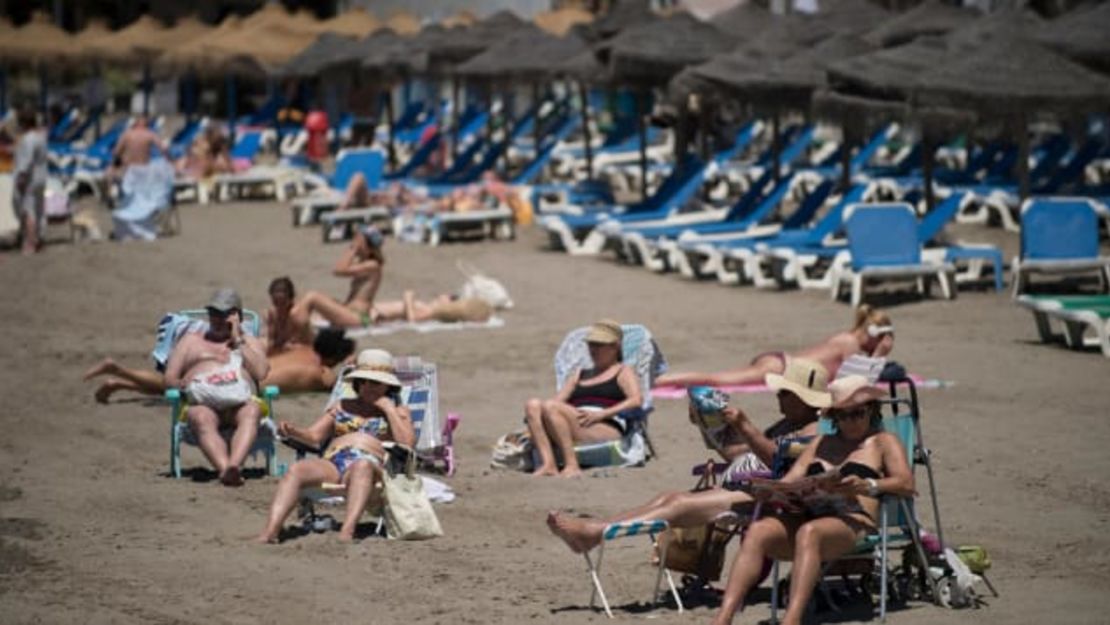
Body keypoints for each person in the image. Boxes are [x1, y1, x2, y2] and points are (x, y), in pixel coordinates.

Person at [547, 358, 832, 553]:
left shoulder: (816, 430)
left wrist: (745, 425)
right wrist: (709, 426)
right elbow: (739, 455)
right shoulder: (788, 424)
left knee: (679, 504)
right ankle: (597, 530)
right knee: (668, 498)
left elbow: (781, 464)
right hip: (747, 488)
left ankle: (593, 533)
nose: (777, 397)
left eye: (785, 393)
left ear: (805, 398)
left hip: (773, 499)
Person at [710, 375, 915, 625]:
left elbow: (906, 483)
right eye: (842, 415)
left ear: (871, 409)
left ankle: (792, 620)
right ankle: (723, 618)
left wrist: (868, 485)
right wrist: (770, 490)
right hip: (808, 514)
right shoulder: (821, 442)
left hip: (853, 521)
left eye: (857, 413)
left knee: (810, 533)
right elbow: (791, 480)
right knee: (759, 530)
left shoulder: (884, 442)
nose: (850, 421)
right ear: (833, 417)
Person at [256, 349, 415, 543]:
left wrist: (388, 409)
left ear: (387, 385)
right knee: (297, 469)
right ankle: (271, 531)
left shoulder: (399, 411)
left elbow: (407, 445)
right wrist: (294, 431)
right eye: (362, 381)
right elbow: (314, 436)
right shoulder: (342, 405)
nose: (367, 386)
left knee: (362, 465)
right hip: (335, 460)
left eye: (374, 382)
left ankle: (347, 532)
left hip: (372, 464)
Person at [163, 288, 270, 486]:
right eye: (213, 314)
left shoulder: (249, 342)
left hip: (240, 404)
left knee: (252, 411)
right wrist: (178, 384)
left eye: (223, 314)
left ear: (236, 315)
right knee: (200, 417)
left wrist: (238, 340)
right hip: (204, 404)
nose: (217, 319)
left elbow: (261, 373)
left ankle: (234, 466)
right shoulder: (191, 341)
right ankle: (225, 470)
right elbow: (169, 377)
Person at [84, 328, 355, 402]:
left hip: (241, 361)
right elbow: (343, 385)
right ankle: (119, 374)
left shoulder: (300, 349)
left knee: (182, 383)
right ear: (334, 358)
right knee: (179, 389)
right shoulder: (322, 373)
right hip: (242, 380)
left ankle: (120, 380)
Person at [655, 305, 895, 388]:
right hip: (780, 368)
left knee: (718, 378)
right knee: (716, 379)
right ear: (873, 333)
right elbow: (857, 382)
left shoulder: (846, 339)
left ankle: (659, 380)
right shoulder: (849, 343)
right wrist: (880, 354)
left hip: (779, 363)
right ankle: (658, 381)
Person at [525, 320, 642, 478]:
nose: (594, 350)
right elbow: (556, 401)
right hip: (576, 420)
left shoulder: (622, 371)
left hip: (605, 424)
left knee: (551, 407)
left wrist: (603, 414)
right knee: (533, 405)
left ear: (615, 346)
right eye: (591, 344)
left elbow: (636, 400)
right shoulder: (579, 374)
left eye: (600, 345)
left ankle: (572, 465)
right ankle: (548, 464)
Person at [289, 226, 386, 329]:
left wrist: (353, 249)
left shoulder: (372, 265)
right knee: (300, 301)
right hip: (351, 312)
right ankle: (291, 323)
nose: (354, 242)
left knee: (312, 297)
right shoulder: (366, 263)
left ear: (368, 246)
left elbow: (339, 270)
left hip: (358, 317)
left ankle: (293, 330)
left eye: (358, 240)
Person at [12, 106, 47, 255]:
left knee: (28, 212)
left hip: (30, 180)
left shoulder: (28, 139)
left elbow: (26, 163)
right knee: (38, 210)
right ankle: (37, 239)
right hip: (41, 177)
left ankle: (30, 244)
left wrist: (21, 180)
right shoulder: (41, 137)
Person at [264, 276, 314, 356]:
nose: (280, 308)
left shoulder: (297, 316)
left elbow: (308, 345)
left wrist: (291, 347)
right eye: (276, 302)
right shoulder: (271, 314)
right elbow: (270, 341)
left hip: (302, 355)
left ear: (291, 299)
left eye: (283, 303)